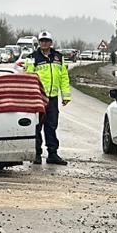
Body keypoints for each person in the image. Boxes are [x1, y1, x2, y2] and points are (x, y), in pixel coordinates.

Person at [23, 30, 71, 166]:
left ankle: (52, 154)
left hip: (53, 98)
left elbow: (64, 77)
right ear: (39, 43)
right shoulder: (32, 57)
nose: (44, 43)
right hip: (38, 97)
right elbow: (28, 77)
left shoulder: (58, 57)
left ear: (51, 42)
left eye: (46, 41)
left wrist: (66, 95)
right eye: (42, 41)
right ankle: (37, 154)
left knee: (51, 126)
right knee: (36, 126)